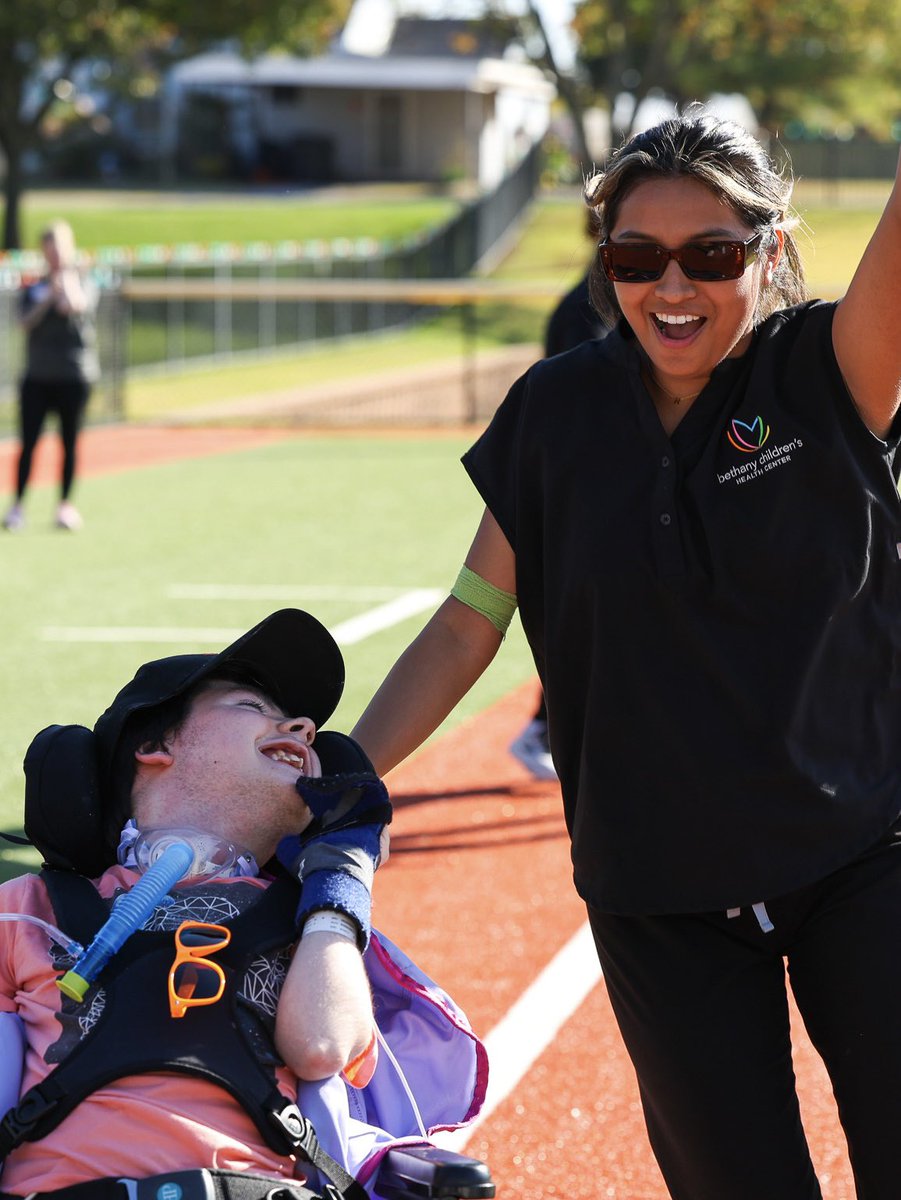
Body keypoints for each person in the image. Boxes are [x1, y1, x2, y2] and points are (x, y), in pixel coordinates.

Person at [351, 107, 901, 1200]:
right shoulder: (556, 411)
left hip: (860, 858)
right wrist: (343, 774)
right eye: (637, 258)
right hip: (656, 886)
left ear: (768, 252)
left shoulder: (831, 368)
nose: (673, 286)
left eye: (712, 256)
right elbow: (469, 618)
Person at [0, 609, 486, 1200]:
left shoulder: (311, 922)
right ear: (155, 747)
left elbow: (323, 1047)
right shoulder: (28, 909)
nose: (305, 728)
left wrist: (341, 880)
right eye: (253, 706)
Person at [508, 215, 610, 782]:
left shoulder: (599, 302)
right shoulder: (584, 309)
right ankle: (546, 728)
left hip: (603, 491)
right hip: (586, 494)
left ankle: (548, 727)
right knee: (588, 628)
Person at [3, 220, 99, 533]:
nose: (55, 254)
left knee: (69, 443)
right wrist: (48, 297)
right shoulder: (35, 286)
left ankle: (65, 505)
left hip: (73, 375)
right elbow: (23, 322)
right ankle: (17, 506)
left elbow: (77, 306)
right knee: (28, 443)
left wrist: (67, 280)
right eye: (50, 249)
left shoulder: (84, 280)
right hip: (38, 377)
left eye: (60, 248)